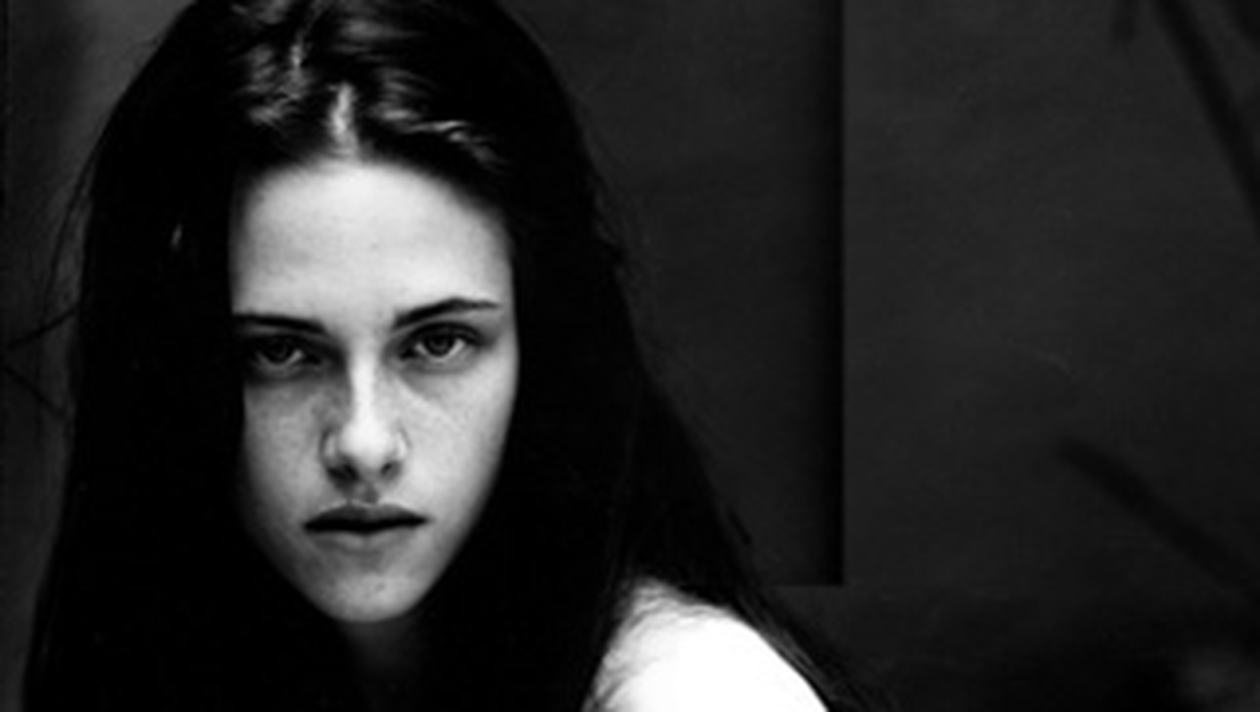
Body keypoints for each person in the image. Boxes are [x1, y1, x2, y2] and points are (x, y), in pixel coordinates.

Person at [21, 0, 875, 709]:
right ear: (169, 373)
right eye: (280, 353)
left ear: (541, 349)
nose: (363, 443)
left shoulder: (693, 695)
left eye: (436, 344)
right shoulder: (195, 664)